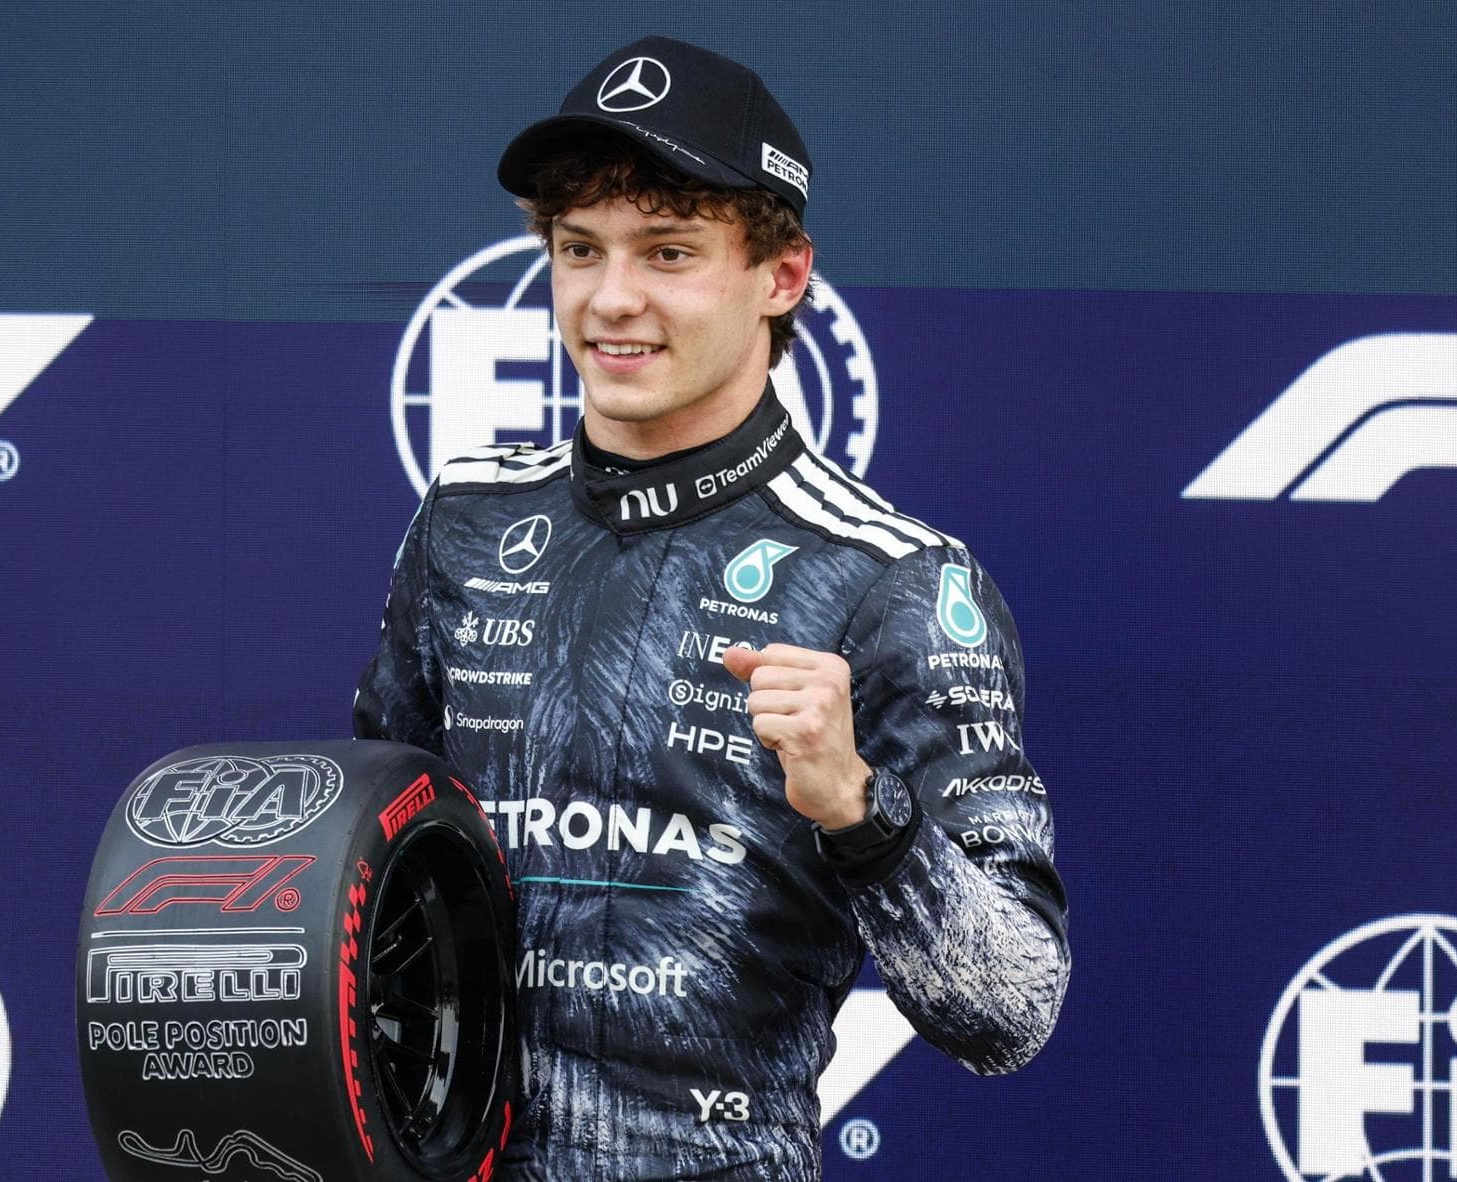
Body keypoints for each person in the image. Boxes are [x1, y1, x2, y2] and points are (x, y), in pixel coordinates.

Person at [355, 35, 1068, 1180]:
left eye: (669, 251)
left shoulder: (895, 580)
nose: (611, 299)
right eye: (579, 249)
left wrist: (861, 812)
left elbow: (1012, 1009)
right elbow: (369, 880)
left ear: (781, 276)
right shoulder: (465, 521)